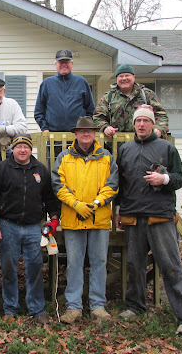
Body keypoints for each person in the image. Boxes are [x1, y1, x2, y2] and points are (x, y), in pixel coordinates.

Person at [115, 105, 182, 337]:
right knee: (134, 265)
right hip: (133, 216)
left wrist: (164, 178)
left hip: (160, 216)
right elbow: (120, 184)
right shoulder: (125, 149)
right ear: (134, 124)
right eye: (138, 121)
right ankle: (135, 306)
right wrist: (119, 211)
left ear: (153, 124)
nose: (141, 125)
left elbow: (181, 177)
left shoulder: (167, 148)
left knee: (171, 267)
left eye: (145, 121)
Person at [0, 134, 60, 324]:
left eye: (26, 147)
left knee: (35, 267)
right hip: (7, 225)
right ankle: (10, 308)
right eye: (19, 147)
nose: (22, 150)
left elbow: (50, 198)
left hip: (34, 227)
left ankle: (37, 309)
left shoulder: (40, 170)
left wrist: (54, 219)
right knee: (9, 268)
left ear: (30, 149)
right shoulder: (1, 169)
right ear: (13, 149)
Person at [52, 116, 118, 324]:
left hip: (99, 218)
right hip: (74, 217)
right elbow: (57, 184)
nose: (86, 134)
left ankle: (98, 306)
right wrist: (75, 204)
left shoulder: (106, 156)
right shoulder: (64, 156)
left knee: (99, 262)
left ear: (95, 134)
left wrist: (96, 203)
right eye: (82, 131)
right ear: (76, 134)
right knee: (74, 263)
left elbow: (113, 184)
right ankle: (74, 307)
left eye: (89, 131)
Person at [93, 64, 169, 138]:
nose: (124, 78)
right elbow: (98, 118)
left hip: (144, 143)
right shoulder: (108, 97)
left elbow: (161, 114)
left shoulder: (146, 95)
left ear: (133, 77)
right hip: (115, 145)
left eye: (127, 75)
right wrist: (105, 127)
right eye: (121, 76)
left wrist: (159, 128)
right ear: (116, 79)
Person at [34, 50, 95, 133]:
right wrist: (45, 128)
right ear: (56, 64)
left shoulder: (81, 82)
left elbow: (91, 110)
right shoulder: (47, 83)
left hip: (78, 135)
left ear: (72, 64)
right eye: (61, 62)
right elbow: (39, 111)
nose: (64, 65)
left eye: (67, 62)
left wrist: (85, 128)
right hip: (53, 136)